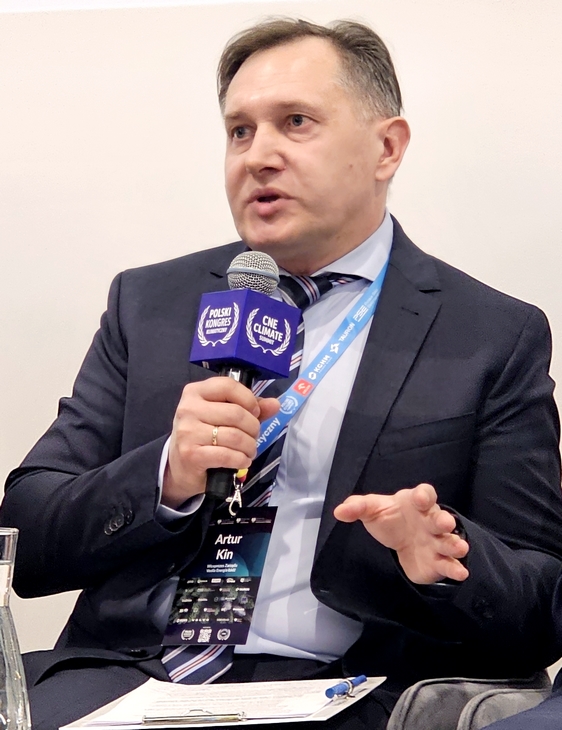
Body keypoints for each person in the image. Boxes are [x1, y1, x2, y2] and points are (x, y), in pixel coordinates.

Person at [1, 17, 562, 730]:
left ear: (387, 147)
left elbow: (541, 605)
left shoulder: (488, 334)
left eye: (295, 123)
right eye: (240, 131)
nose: (259, 156)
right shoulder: (150, 304)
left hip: (351, 694)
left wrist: (446, 557)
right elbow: (27, 540)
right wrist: (166, 476)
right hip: (127, 680)